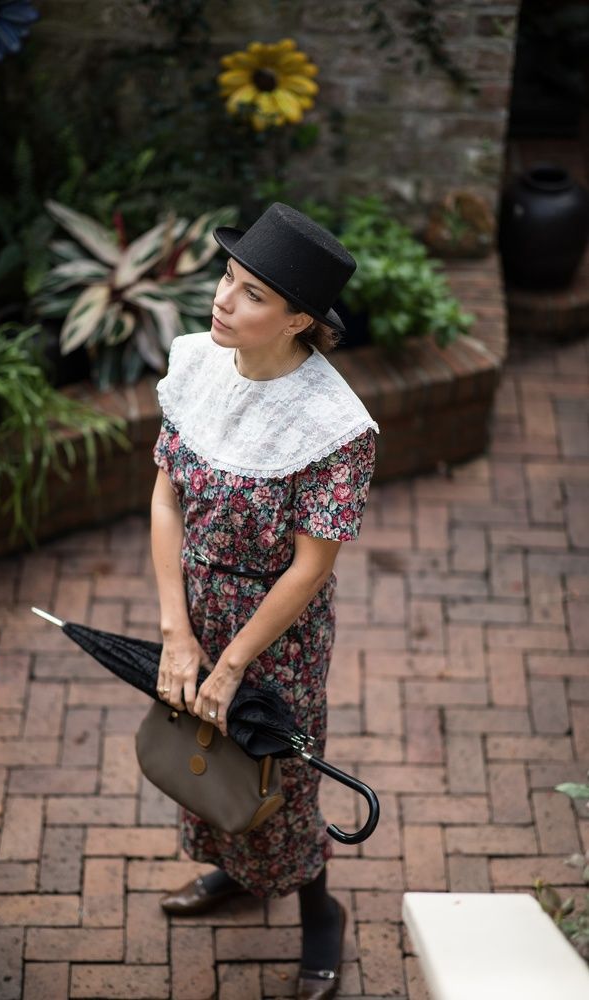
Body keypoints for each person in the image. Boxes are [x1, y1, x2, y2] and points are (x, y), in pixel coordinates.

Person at [150, 202, 378, 1000]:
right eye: (227, 278)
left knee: (277, 780)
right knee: (201, 753)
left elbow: (310, 568)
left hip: (276, 635)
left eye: (251, 294)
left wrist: (233, 662)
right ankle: (232, 873)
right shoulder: (196, 361)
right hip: (196, 607)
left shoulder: (336, 427)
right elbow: (165, 500)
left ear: (299, 320)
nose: (222, 298)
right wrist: (177, 633)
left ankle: (322, 915)